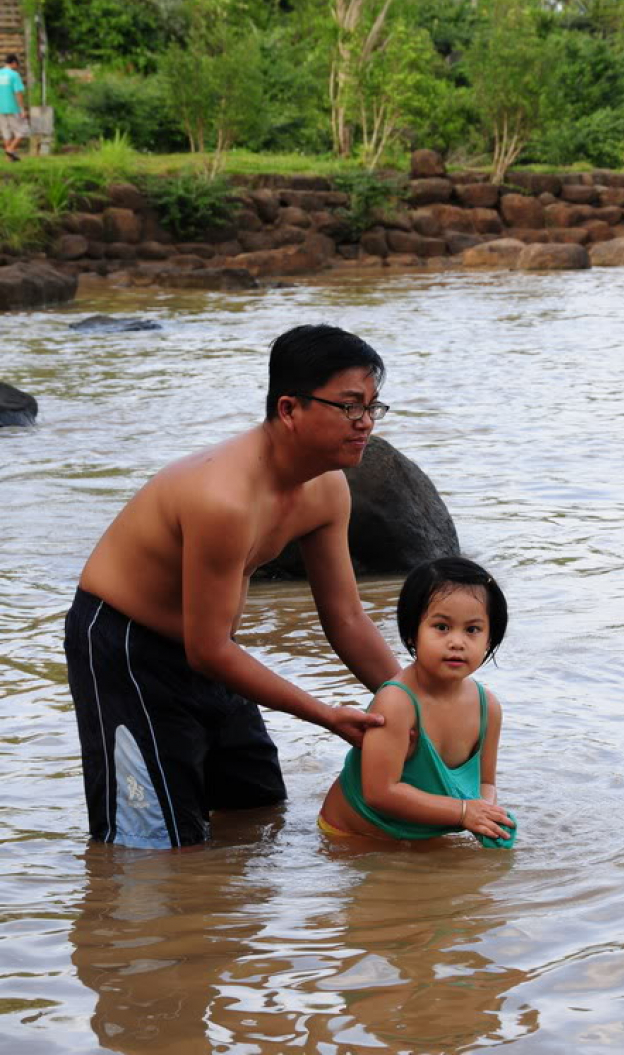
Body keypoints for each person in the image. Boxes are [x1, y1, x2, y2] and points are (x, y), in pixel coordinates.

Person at [64, 324, 401, 849]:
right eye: (350, 407)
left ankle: (222, 921)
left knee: (257, 809)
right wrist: (327, 716)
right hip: (126, 645)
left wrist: (412, 700)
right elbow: (209, 650)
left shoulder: (328, 489)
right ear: (289, 409)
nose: (365, 425)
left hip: (213, 644)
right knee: (152, 841)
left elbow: (348, 619)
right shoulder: (224, 498)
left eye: (373, 408)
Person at [320, 555, 517, 847]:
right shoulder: (396, 703)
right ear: (412, 633)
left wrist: (485, 814)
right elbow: (380, 792)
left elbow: (485, 783)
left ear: (489, 640)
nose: (457, 642)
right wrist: (463, 812)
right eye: (441, 627)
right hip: (354, 839)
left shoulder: (488, 707)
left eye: (472, 630)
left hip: (417, 837)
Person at [0, 54, 27, 162]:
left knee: (6, 132)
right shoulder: (14, 75)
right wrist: (22, 109)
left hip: (0, 108)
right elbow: (18, 93)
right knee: (22, 130)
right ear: (14, 63)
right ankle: (11, 149)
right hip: (12, 107)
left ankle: (9, 158)